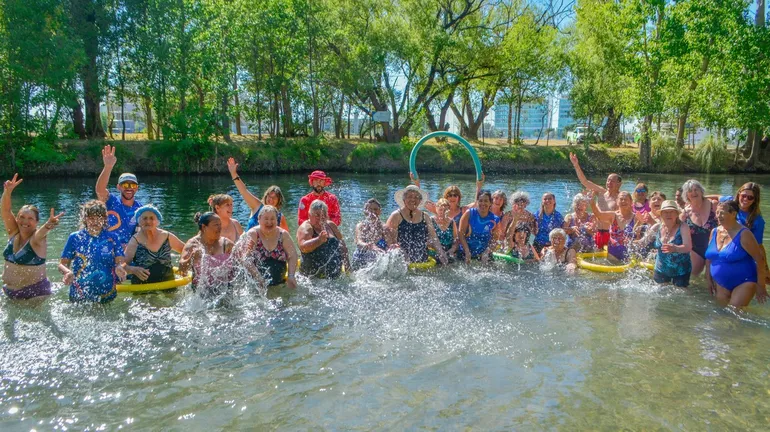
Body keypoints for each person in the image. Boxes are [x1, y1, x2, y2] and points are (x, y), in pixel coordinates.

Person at [2, 174, 63, 299]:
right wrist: (7, 192)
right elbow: (5, 211)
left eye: (30, 218)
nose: (25, 222)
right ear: (17, 218)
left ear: (36, 222)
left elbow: (42, 232)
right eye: (22, 217)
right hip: (9, 292)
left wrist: (49, 225)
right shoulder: (13, 232)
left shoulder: (37, 240)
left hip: (34, 294)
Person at [59, 200, 127, 303]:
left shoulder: (112, 238)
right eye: (91, 218)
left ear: (104, 219)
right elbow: (62, 264)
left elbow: (120, 261)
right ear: (84, 219)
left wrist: (119, 267)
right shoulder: (75, 237)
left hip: (107, 291)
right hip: (79, 291)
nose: (95, 221)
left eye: (99, 217)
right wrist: (67, 272)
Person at [705, 200, 768, 307]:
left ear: (733, 214)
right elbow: (709, 258)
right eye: (717, 212)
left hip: (744, 281)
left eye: (722, 213)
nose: (718, 216)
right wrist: (708, 278)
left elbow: (759, 259)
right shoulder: (714, 231)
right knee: (721, 313)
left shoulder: (744, 234)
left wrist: (761, 285)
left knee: (734, 314)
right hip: (720, 282)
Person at [569, 152, 622, 249]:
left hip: (610, 234)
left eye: (613, 181)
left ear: (619, 184)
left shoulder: (620, 199)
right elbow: (585, 182)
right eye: (608, 180)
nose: (609, 183)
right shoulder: (601, 192)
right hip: (596, 233)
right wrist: (576, 165)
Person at [386, 185, 448, 265]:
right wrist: (401, 252)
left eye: (416, 197)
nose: (413, 199)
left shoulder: (425, 216)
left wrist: (441, 252)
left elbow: (434, 238)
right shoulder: (396, 216)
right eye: (410, 196)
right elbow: (390, 242)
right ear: (404, 199)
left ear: (420, 200)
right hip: (402, 260)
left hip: (422, 258)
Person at [122, 205, 185, 284]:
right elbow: (121, 265)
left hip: (168, 282)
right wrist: (132, 270)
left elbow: (186, 251)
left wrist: (183, 262)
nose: (148, 221)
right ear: (139, 221)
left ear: (157, 221)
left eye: (151, 218)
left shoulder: (166, 236)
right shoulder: (135, 240)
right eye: (144, 218)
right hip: (142, 285)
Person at [636, 200, 693, 287]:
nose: (668, 214)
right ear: (661, 214)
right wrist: (633, 242)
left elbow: (688, 247)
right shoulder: (656, 227)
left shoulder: (683, 227)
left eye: (671, 212)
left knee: (681, 296)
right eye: (665, 212)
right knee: (659, 295)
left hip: (681, 270)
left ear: (677, 214)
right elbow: (643, 243)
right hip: (661, 269)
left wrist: (675, 248)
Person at [95, 144, 142, 248]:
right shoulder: (111, 201)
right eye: (125, 185)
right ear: (118, 187)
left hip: (130, 252)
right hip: (108, 249)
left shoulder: (140, 209)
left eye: (132, 185)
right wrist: (108, 167)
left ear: (137, 188)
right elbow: (100, 190)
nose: (129, 188)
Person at [240, 205, 298, 288]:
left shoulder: (283, 234)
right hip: (256, 283)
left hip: (279, 282)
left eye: (272, 219)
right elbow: (245, 259)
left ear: (277, 220)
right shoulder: (253, 234)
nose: (269, 222)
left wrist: (291, 275)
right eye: (266, 218)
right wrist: (258, 278)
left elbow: (293, 255)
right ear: (259, 219)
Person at [226, 157, 290, 232]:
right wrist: (233, 173)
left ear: (279, 201)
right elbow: (243, 191)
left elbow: (286, 236)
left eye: (274, 198)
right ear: (265, 196)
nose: (271, 200)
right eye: (269, 196)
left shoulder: (279, 217)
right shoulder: (257, 206)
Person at [179, 212, 235, 292]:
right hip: (201, 290)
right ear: (204, 227)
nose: (220, 228)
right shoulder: (193, 244)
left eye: (220, 224)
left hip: (226, 288)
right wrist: (192, 258)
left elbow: (242, 262)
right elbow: (182, 269)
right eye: (216, 225)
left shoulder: (226, 244)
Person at [297, 200, 349, 278]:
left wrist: (347, 265)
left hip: (334, 276)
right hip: (312, 277)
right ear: (309, 215)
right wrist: (318, 240)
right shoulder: (306, 228)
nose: (320, 218)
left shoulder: (331, 225)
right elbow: (303, 247)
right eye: (317, 215)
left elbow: (343, 245)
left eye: (323, 215)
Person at [681, 179, 718, 277]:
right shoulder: (686, 211)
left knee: (713, 279)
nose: (693, 192)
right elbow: (677, 229)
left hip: (715, 247)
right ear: (686, 195)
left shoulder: (713, 205)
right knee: (692, 277)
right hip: (696, 250)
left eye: (696, 189)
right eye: (690, 191)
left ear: (701, 191)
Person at [414, 174, 483, 225]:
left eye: (455, 195)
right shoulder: (438, 209)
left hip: (459, 242)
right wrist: (417, 183)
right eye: (450, 195)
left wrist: (479, 185)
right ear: (446, 197)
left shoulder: (464, 210)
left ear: (458, 197)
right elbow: (422, 200)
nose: (452, 197)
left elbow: (477, 203)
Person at [591, 191, 639, 261]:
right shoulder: (613, 216)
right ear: (617, 202)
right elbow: (599, 215)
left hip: (630, 256)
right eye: (621, 199)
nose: (623, 201)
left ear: (631, 202)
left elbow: (639, 237)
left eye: (626, 199)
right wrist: (592, 202)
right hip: (613, 255)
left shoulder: (636, 218)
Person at [457, 190, 500, 263]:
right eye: (480, 201)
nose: (483, 203)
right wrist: (467, 251)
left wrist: (487, 252)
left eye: (486, 201)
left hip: (483, 255)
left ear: (490, 203)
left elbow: (495, 240)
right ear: (477, 202)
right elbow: (460, 234)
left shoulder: (495, 219)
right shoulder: (469, 214)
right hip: (465, 252)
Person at [351, 199, 391, 270]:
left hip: (379, 261)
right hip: (361, 257)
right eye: (369, 209)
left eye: (375, 209)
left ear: (380, 211)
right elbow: (358, 242)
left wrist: (393, 247)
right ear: (365, 211)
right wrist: (368, 246)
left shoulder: (384, 228)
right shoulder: (360, 226)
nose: (372, 212)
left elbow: (389, 245)